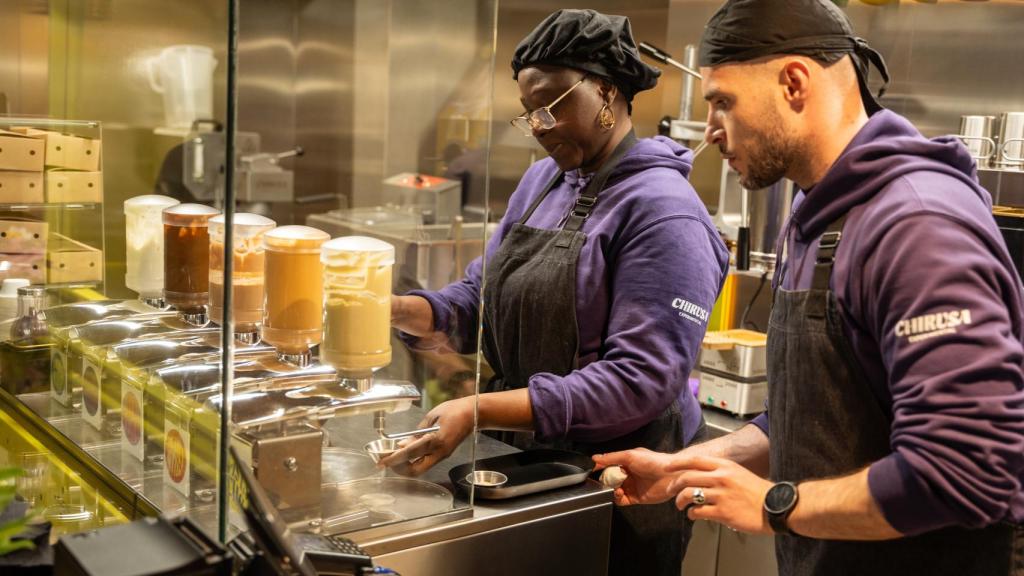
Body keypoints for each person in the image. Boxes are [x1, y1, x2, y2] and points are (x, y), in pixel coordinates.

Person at [594, 0, 1024, 574]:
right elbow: (811, 421)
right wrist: (691, 464)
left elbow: (966, 470)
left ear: (794, 83)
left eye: (723, 102)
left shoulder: (916, 224)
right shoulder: (815, 216)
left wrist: (774, 503)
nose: (713, 131)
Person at [386, 8, 729, 575]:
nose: (540, 126)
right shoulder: (543, 180)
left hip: (616, 489)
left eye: (552, 105)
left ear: (608, 92)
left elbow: (639, 381)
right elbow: (483, 298)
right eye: (528, 114)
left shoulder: (664, 213)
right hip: (527, 469)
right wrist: (393, 310)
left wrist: (478, 409)